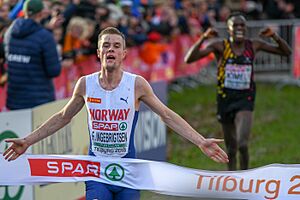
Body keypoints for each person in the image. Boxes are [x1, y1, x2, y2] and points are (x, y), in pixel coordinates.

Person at [3, 27, 229, 200]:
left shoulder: (137, 85)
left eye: (116, 46)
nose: (111, 49)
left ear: (124, 54)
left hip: (128, 172)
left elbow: (167, 115)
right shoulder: (85, 84)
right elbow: (63, 117)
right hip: (96, 171)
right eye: (106, 46)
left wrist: (200, 141)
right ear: (99, 52)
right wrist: (27, 140)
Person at [184, 12, 291, 171]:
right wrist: (203, 38)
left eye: (242, 25)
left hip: (245, 98)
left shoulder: (253, 45)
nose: (240, 28)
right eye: (236, 25)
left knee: (242, 144)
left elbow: (286, 52)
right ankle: (232, 180)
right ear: (229, 29)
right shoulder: (220, 46)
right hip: (225, 99)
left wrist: (274, 36)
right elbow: (189, 59)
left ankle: (246, 178)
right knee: (231, 148)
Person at [4, 0, 61, 110]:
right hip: (40, 101)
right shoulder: (45, 37)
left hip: (15, 99)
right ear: (41, 13)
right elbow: (54, 71)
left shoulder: (9, 32)